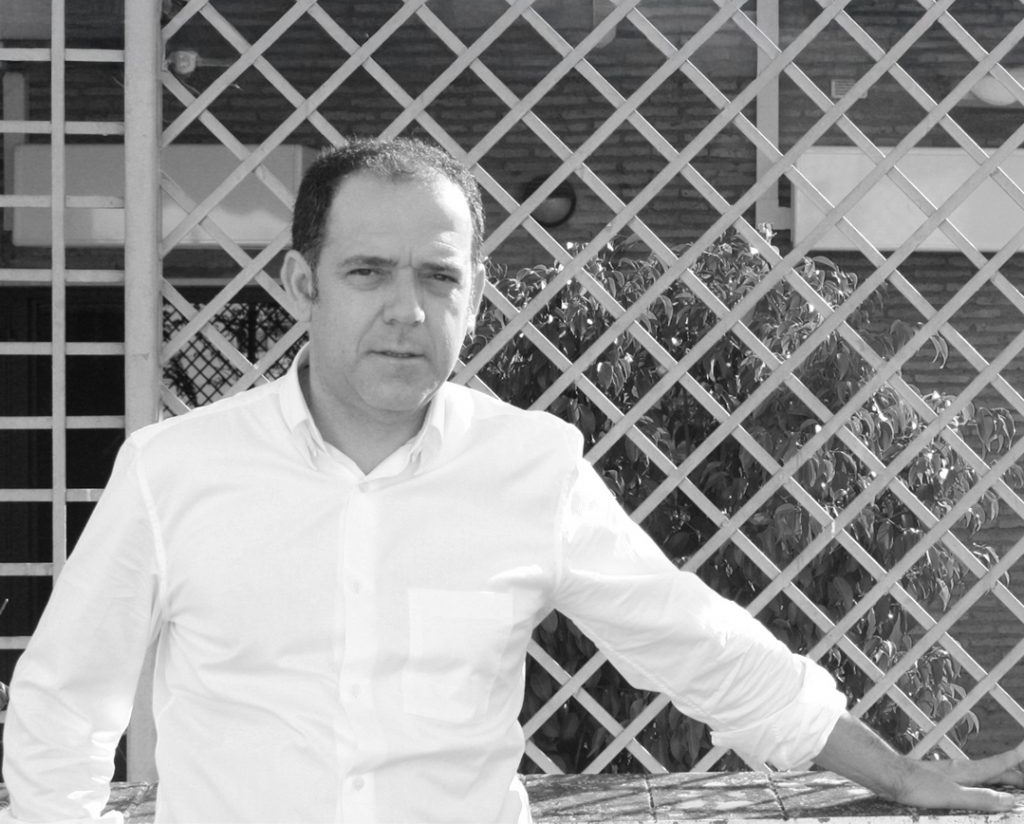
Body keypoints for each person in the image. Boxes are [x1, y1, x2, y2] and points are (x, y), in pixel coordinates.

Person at [1, 136, 1022, 823]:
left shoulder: (531, 467)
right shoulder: (175, 471)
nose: (407, 309)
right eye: (368, 272)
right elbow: (62, 709)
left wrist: (894, 773)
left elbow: (692, 640)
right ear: (303, 283)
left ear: (476, 298)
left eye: (438, 277)